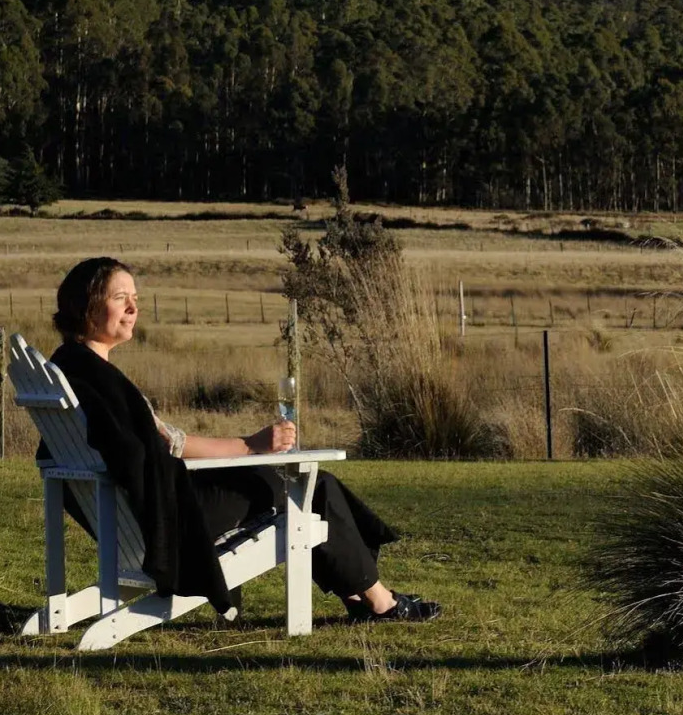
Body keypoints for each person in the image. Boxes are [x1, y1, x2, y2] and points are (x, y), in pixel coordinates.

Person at [46, 256, 440, 623]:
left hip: (137, 513)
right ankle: (380, 601)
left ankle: (361, 595)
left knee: (311, 488)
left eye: (135, 298)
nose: (134, 308)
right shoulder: (99, 381)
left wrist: (250, 446)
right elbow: (166, 446)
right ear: (87, 306)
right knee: (308, 487)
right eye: (120, 298)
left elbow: (160, 444)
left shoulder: (75, 370)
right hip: (172, 515)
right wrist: (251, 446)